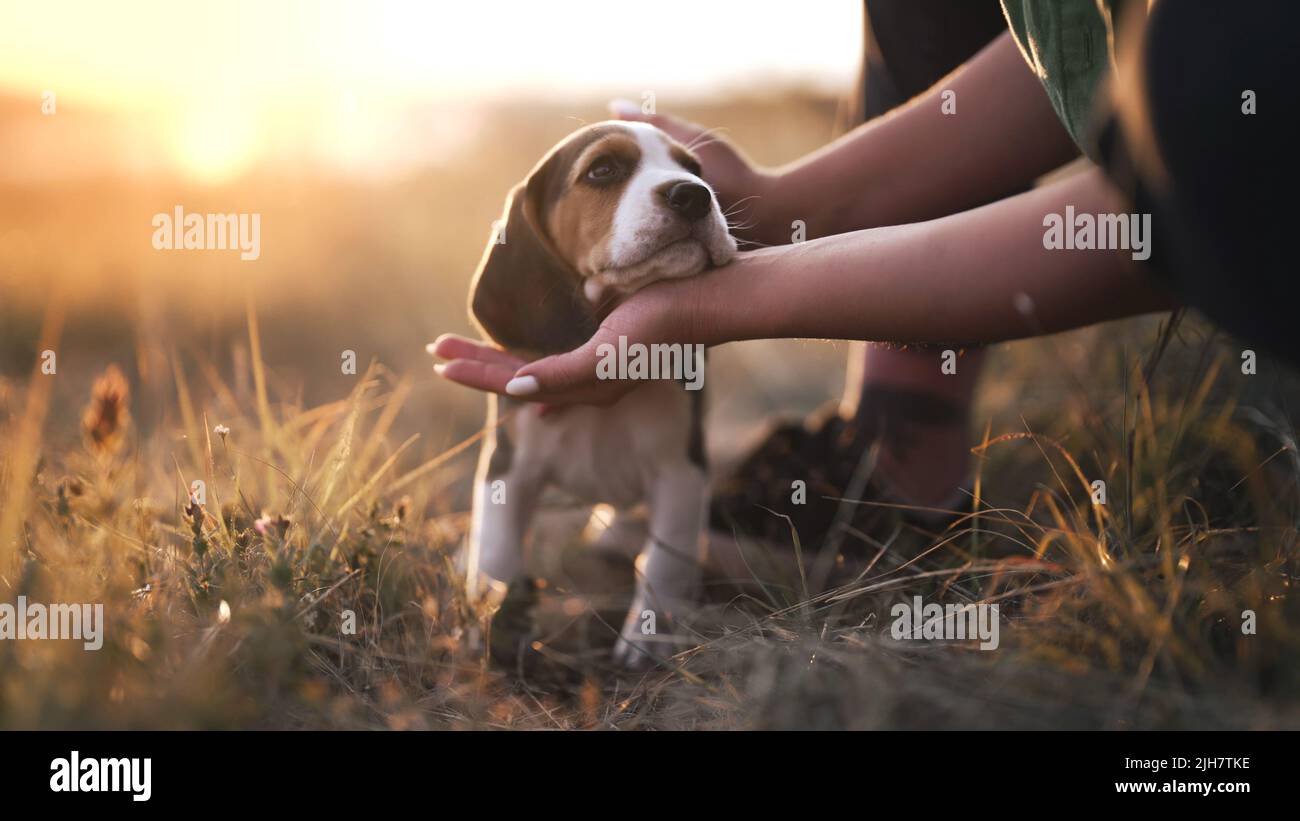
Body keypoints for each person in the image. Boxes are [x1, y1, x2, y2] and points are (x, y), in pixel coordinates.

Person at [431, 1, 1296, 546]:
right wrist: (787, 198)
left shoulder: (1220, 64)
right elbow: (1078, 52)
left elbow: (1166, 214)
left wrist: (734, 297)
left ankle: (901, 466)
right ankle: (891, 450)